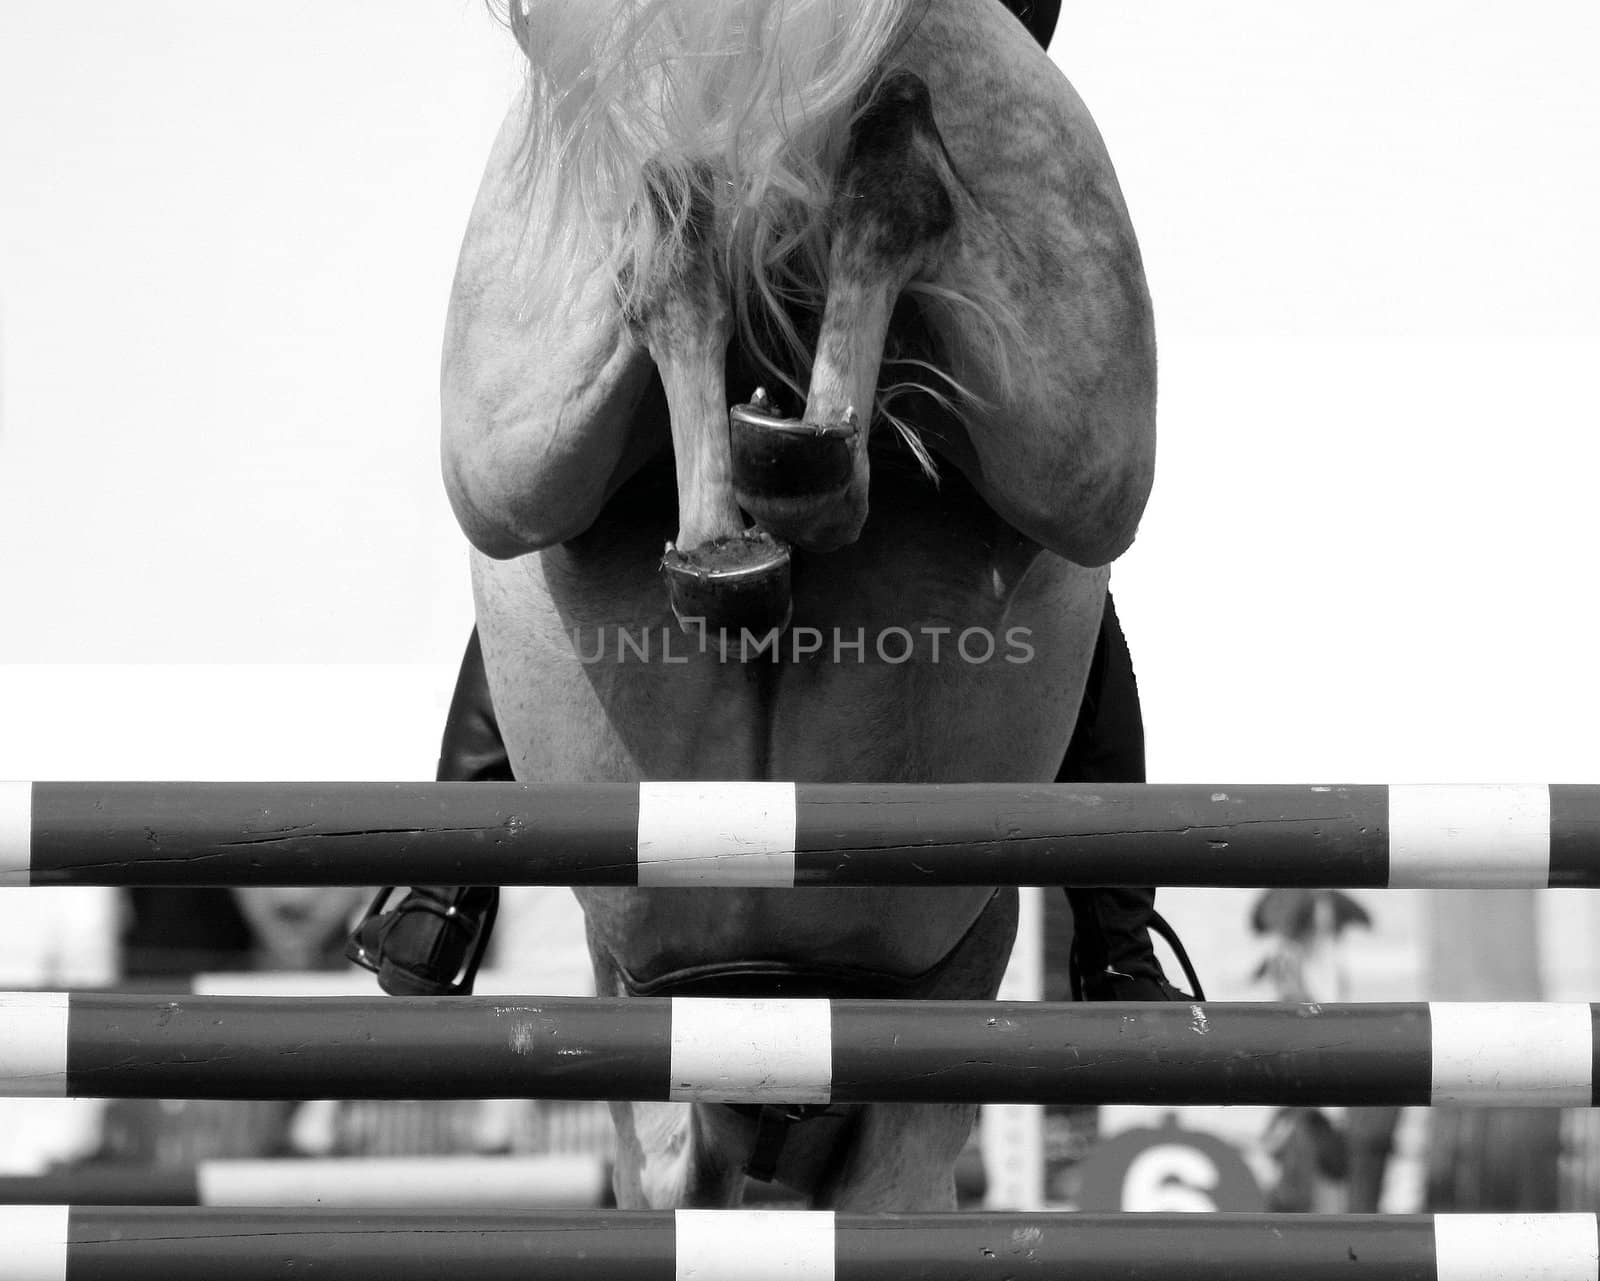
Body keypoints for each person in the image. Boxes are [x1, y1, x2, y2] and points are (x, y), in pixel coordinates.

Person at [347, 0, 1196, 1005]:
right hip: (933, 61)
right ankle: (1116, 935)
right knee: (1067, 542)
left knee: (520, 528)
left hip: (695, 58)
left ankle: (447, 889)